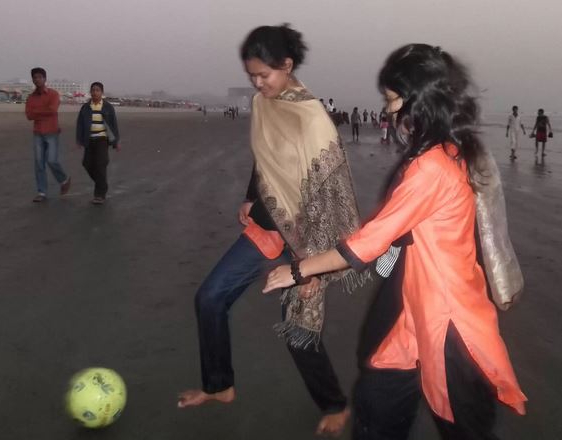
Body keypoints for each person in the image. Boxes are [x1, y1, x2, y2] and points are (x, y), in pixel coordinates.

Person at [263, 44, 527, 439]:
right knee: (378, 396)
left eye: (392, 99)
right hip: (411, 306)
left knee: (464, 426)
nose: (388, 109)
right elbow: (395, 239)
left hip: (446, 319)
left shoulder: (432, 166)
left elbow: (366, 244)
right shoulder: (448, 153)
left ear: (418, 99)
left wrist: (298, 270)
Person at [177, 24, 369, 436]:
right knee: (209, 299)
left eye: (265, 75)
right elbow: (266, 159)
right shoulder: (264, 104)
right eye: (252, 77)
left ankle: (334, 403)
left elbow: (329, 194)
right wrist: (251, 195)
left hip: (305, 241)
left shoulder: (312, 117)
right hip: (266, 230)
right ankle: (219, 386)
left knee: (297, 329)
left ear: (288, 65)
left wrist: (313, 268)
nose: (258, 84)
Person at [25, 67, 71, 202]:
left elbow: (52, 110)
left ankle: (63, 180)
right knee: (39, 163)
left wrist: (37, 112)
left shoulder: (53, 94)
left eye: (40, 77)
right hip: (38, 132)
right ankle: (42, 192)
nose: (37, 79)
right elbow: (29, 115)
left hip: (52, 131)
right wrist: (43, 111)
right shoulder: (31, 97)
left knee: (52, 160)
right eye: (35, 77)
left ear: (45, 78)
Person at [75, 82, 120, 205]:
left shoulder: (108, 107)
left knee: (100, 165)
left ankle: (99, 195)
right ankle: (102, 185)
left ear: (102, 92)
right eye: (93, 90)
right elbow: (80, 124)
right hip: (89, 139)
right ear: (90, 92)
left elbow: (113, 124)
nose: (95, 92)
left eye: (98, 90)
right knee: (87, 164)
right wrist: (79, 140)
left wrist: (116, 142)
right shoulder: (85, 107)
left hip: (102, 139)